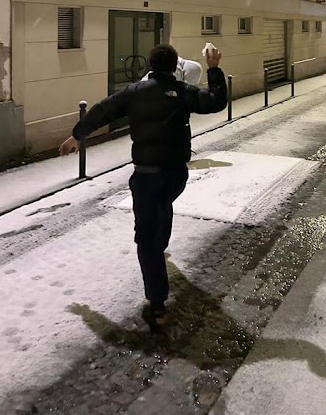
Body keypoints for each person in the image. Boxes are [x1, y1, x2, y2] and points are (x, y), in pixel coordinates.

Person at [59, 44, 227, 328]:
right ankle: (159, 250)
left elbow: (102, 110)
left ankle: (158, 303)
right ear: (176, 66)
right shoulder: (183, 92)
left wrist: (78, 135)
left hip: (147, 175)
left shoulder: (135, 92)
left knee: (146, 238)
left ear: (149, 65)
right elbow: (215, 101)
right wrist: (213, 68)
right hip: (175, 176)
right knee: (164, 207)